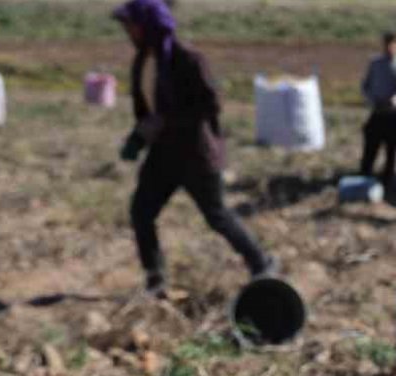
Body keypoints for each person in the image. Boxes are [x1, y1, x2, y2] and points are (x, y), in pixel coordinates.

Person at [113, 0, 275, 298]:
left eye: (130, 24)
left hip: (195, 155)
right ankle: (156, 279)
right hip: (162, 156)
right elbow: (148, 110)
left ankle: (262, 264)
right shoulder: (143, 61)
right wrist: (138, 137)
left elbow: (211, 104)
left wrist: (166, 121)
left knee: (217, 216)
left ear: (148, 25)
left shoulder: (187, 59)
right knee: (141, 212)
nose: (127, 31)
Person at [360, 33, 396, 185]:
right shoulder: (375, 64)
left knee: (392, 147)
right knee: (371, 144)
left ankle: (388, 179)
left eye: (393, 45)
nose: (389, 48)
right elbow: (365, 86)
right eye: (386, 45)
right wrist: (371, 99)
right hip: (377, 111)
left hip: (394, 114)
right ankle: (365, 174)